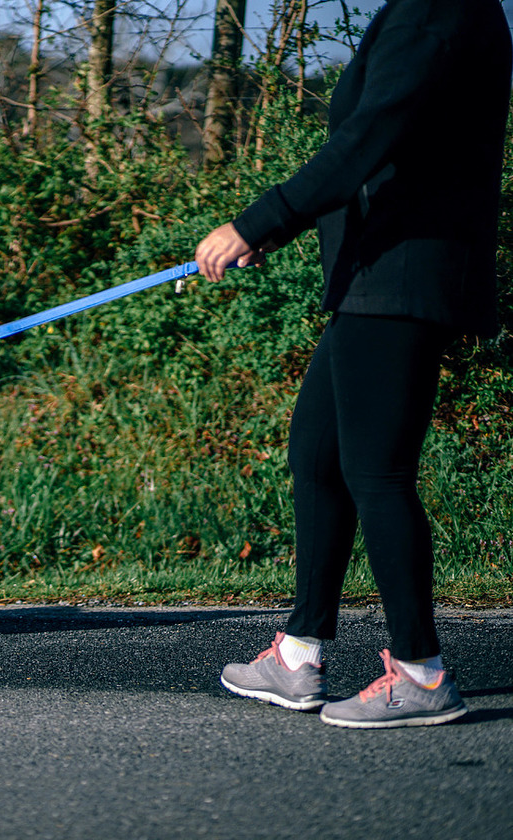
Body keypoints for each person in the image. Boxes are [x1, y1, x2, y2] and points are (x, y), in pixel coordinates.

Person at [194, 0, 512, 729]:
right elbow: (387, 148)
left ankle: (421, 673)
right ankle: (299, 655)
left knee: (377, 472)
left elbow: (369, 138)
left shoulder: (438, 11)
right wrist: (282, 227)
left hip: (402, 275)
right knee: (318, 454)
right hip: (376, 274)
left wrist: (261, 218)